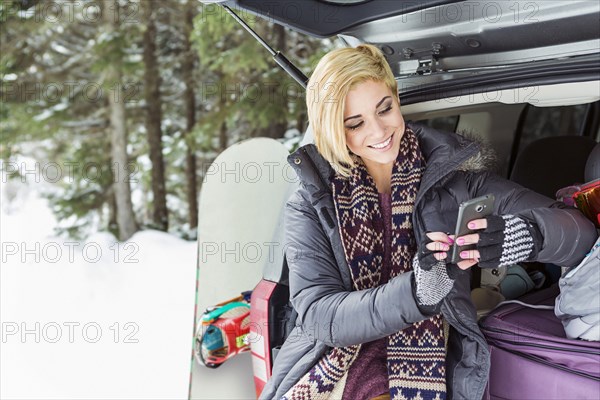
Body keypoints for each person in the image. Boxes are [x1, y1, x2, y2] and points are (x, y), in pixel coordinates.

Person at [259, 44, 598, 400]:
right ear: (332, 131)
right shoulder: (313, 203)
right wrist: (417, 292)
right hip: (328, 372)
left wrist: (529, 235)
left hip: (426, 372)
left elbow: (579, 229)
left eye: (384, 108)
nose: (378, 132)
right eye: (355, 123)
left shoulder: (457, 184)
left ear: (395, 97)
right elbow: (318, 314)